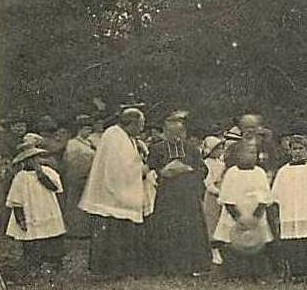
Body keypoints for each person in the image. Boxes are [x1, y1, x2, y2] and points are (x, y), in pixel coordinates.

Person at [79, 108, 149, 276]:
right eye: (140, 125)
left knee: (120, 234)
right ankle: (112, 270)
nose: (142, 129)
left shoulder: (125, 136)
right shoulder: (114, 136)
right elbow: (120, 168)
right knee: (114, 235)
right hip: (112, 195)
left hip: (119, 193)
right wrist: (142, 169)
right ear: (131, 123)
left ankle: (120, 269)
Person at [144, 111, 211, 276]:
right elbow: (150, 170)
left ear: (184, 133)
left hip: (188, 197)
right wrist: (162, 172)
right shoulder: (157, 149)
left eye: (179, 133)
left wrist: (188, 170)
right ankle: (167, 266)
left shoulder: (191, 149)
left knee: (190, 231)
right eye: (171, 133)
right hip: (167, 197)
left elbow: (203, 169)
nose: (176, 137)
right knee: (167, 231)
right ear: (165, 133)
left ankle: (193, 265)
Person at [271, 135, 307, 280]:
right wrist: (277, 216)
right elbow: (275, 197)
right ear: (289, 151)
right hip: (289, 213)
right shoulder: (283, 171)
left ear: (306, 150)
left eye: (300, 149)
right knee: (292, 245)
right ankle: (295, 274)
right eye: (294, 149)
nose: (297, 152)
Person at [214, 140, 275, 279]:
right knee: (233, 246)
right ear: (238, 154)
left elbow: (264, 196)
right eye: (249, 152)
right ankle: (235, 273)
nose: (253, 155)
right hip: (235, 216)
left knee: (256, 245)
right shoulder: (232, 173)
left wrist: (254, 217)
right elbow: (227, 198)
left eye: (254, 152)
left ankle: (256, 274)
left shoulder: (259, 172)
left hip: (255, 216)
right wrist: (239, 217)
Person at [5, 143, 67, 278]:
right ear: (24, 162)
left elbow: (55, 187)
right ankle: (33, 265)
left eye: (35, 158)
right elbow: (16, 200)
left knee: (51, 236)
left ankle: (53, 263)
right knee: (31, 241)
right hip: (30, 210)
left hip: (47, 208)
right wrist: (20, 218)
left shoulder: (48, 172)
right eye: (29, 159)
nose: (33, 162)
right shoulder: (20, 177)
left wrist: (41, 174)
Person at [61, 114, 97, 239]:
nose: (88, 131)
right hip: (76, 177)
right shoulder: (73, 143)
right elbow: (70, 160)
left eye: (89, 129)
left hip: (89, 176)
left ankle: (85, 230)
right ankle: (74, 230)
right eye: (86, 129)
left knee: (85, 203)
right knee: (74, 202)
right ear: (79, 129)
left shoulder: (90, 143)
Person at [201, 136, 227, 265]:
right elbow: (208, 183)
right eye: (217, 148)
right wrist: (218, 192)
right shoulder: (206, 164)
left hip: (223, 196)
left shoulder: (222, 164)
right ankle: (213, 250)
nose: (220, 150)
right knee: (211, 222)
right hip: (212, 196)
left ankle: (223, 249)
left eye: (222, 147)